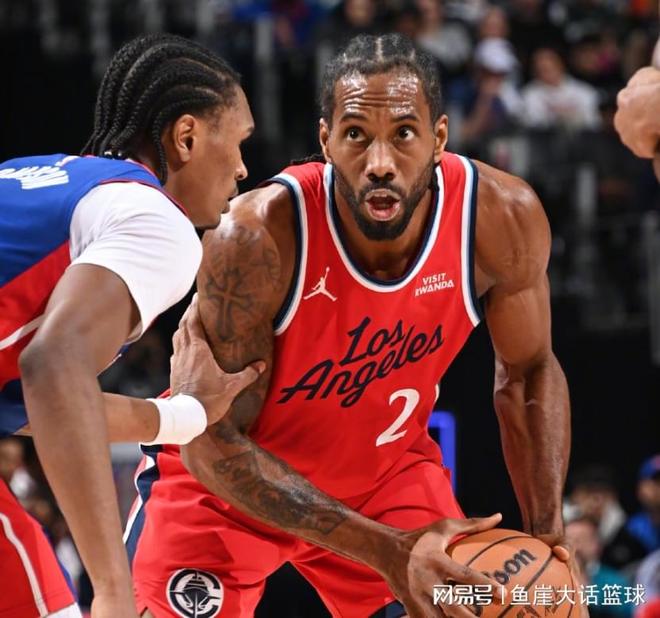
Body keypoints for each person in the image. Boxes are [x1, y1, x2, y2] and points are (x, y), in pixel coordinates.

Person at [128, 33, 575, 618]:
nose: (380, 163)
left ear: (439, 138)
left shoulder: (500, 217)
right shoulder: (256, 237)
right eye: (357, 135)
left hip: (384, 477)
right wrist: (386, 550)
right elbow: (211, 442)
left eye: (404, 134)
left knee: (474, 604)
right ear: (326, 142)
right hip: (230, 484)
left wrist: (549, 536)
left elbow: (529, 372)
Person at [0, 34, 262, 618]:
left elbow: (35, 406)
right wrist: (113, 591)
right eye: (239, 141)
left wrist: (186, 416)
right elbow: (52, 367)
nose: (244, 168)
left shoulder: (34, 176)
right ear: (187, 137)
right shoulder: (157, 221)